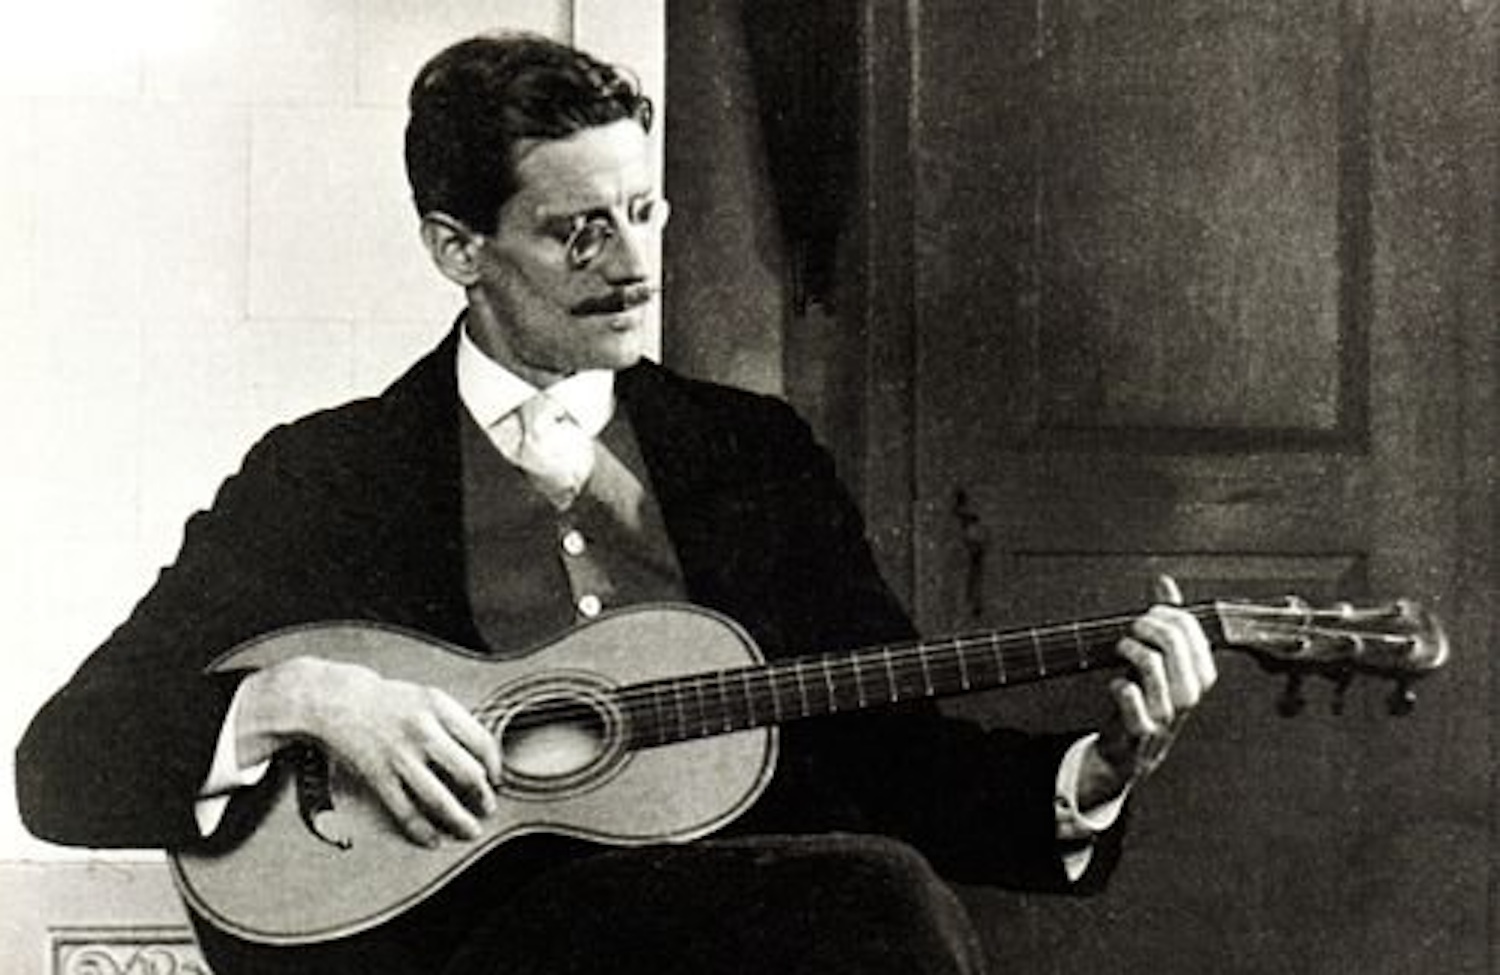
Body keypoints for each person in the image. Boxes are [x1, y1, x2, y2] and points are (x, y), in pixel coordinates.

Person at [15, 32, 1215, 975]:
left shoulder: (754, 455)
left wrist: (1101, 767)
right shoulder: (328, 478)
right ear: (458, 248)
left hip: (740, 943)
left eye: (643, 213)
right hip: (453, 951)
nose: (635, 267)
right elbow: (62, 767)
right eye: (579, 233)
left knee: (880, 893)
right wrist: (303, 698)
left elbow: (895, 756)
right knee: (877, 900)